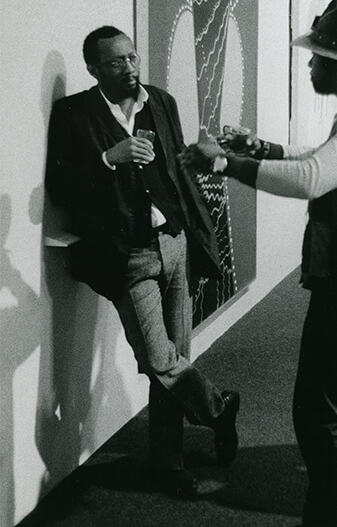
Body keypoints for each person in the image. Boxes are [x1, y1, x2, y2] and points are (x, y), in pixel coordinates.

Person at [181, 0, 337, 527]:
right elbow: (324, 158)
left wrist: (223, 162)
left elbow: (311, 177)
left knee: (317, 414)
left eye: (314, 59)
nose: (309, 67)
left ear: (336, 62)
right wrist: (260, 148)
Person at [45, 26, 240, 499]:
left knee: (175, 358)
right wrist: (107, 159)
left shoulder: (160, 101)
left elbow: (174, 166)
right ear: (94, 68)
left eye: (132, 57)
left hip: (173, 242)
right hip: (126, 253)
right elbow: (61, 187)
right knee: (158, 357)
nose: (130, 68)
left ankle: (167, 464)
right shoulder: (74, 113)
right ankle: (217, 408)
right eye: (116, 62)